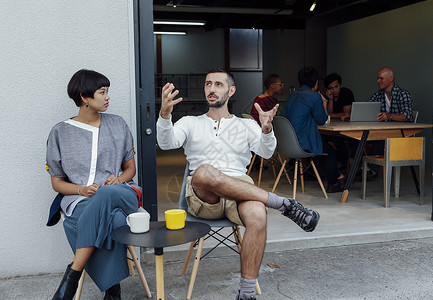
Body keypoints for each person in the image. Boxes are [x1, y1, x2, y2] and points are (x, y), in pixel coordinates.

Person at [156, 68, 320, 300]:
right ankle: (283, 203)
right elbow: (166, 143)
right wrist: (164, 115)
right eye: (208, 84)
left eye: (218, 85)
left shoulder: (245, 125)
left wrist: (266, 130)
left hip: (239, 190)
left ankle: (246, 294)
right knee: (204, 172)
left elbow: (266, 151)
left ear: (231, 90)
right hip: (204, 196)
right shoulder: (190, 122)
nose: (211, 89)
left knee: (257, 214)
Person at [46, 69, 141, 300]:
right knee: (114, 220)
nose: (108, 97)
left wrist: (118, 180)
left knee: (107, 194)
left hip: (121, 194)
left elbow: (131, 169)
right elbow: (57, 184)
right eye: (102, 92)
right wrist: (82, 190)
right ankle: (113, 291)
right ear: (84, 97)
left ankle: (72, 274)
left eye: (107, 91)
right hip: (80, 202)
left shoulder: (118, 124)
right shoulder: (60, 133)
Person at [283, 66, 346, 193]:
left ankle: (336, 175)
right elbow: (322, 120)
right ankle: (333, 183)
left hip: (287, 143)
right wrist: (323, 102)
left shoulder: (293, 95)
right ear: (316, 82)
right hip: (302, 144)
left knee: (322, 148)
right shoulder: (314, 96)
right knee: (329, 151)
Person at [366, 67, 414, 178]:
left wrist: (388, 116)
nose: (378, 81)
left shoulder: (403, 94)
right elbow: (367, 108)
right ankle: (363, 168)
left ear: (391, 78)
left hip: (400, 136)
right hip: (384, 134)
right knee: (362, 139)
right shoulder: (378, 95)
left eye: (381, 78)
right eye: (378, 78)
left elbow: (407, 116)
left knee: (379, 140)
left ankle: (370, 170)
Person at [324, 72, 357, 168]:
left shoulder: (346, 93)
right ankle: (337, 163)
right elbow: (329, 113)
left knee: (341, 140)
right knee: (328, 138)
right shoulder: (329, 96)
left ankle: (344, 162)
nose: (334, 90)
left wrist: (331, 115)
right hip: (334, 127)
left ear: (340, 85)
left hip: (348, 126)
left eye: (336, 87)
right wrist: (330, 99)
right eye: (331, 88)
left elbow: (346, 113)